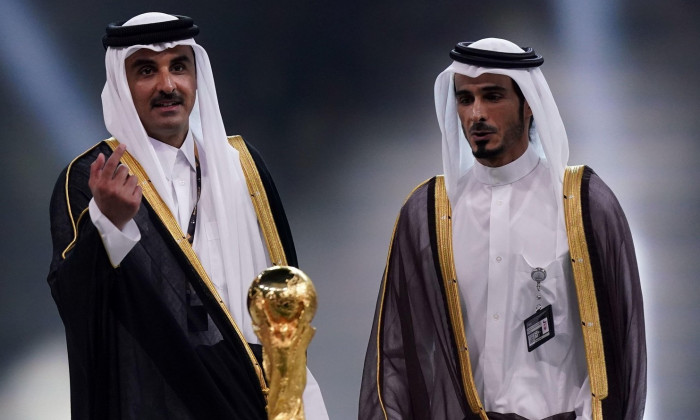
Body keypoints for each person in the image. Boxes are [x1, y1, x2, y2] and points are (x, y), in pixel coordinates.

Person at [48, 12, 328, 420]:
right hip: (156, 399)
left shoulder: (242, 166)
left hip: (256, 400)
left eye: (179, 66)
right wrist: (108, 224)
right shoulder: (93, 177)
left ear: (197, 77)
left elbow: (283, 302)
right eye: (146, 70)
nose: (167, 85)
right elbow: (76, 305)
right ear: (122, 86)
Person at [359, 38, 646, 420]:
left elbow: (623, 347)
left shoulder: (583, 204)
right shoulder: (429, 214)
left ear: (528, 104)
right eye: (465, 99)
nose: (476, 113)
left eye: (492, 96)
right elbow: (393, 355)